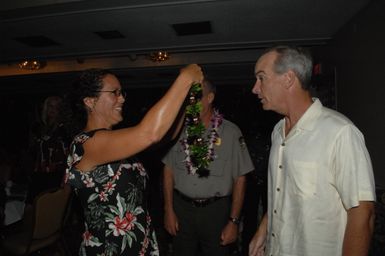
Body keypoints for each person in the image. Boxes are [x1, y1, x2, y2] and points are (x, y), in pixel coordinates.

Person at [248, 46, 376, 256]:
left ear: (288, 78)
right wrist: (263, 230)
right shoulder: (277, 131)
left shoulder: (340, 132)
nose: (255, 88)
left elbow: (363, 213)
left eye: (261, 78)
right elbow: (281, 191)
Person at [64, 65, 203, 256]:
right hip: (110, 248)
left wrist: (185, 100)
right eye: (114, 92)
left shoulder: (116, 143)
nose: (122, 98)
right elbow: (150, 133)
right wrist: (185, 78)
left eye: (121, 92)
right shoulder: (86, 144)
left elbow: (165, 136)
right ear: (90, 101)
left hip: (137, 242)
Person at [162, 79, 254, 256]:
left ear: (210, 97)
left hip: (216, 212)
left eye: (195, 97)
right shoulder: (179, 130)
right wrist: (168, 210)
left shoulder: (231, 132)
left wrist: (233, 222)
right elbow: (168, 170)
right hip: (182, 209)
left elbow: (240, 179)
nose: (190, 103)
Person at [25, 95, 69, 205]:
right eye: (50, 106)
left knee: (50, 207)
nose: (52, 110)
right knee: (31, 205)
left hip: (56, 175)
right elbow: (33, 152)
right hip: (38, 173)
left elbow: (69, 155)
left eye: (56, 107)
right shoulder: (39, 128)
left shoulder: (64, 129)